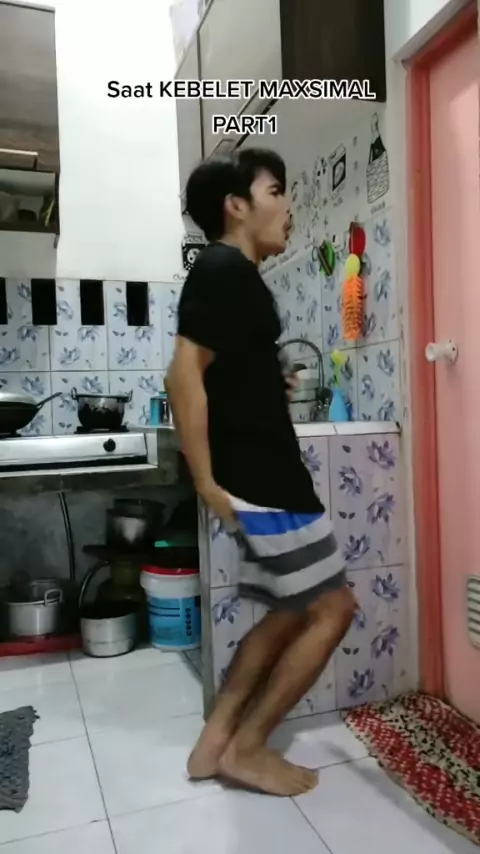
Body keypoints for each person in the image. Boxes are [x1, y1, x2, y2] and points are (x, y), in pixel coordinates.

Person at [165, 148, 355, 797]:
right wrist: (204, 481)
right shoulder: (224, 267)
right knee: (332, 609)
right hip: (265, 480)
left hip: (260, 473)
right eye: (277, 191)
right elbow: (183, 375)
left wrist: (268, 384)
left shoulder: (234, 276)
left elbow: (223, 373)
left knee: (289, 611)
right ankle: (247, 748)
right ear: (236, 206)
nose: (289, 206)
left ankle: (214, 743)